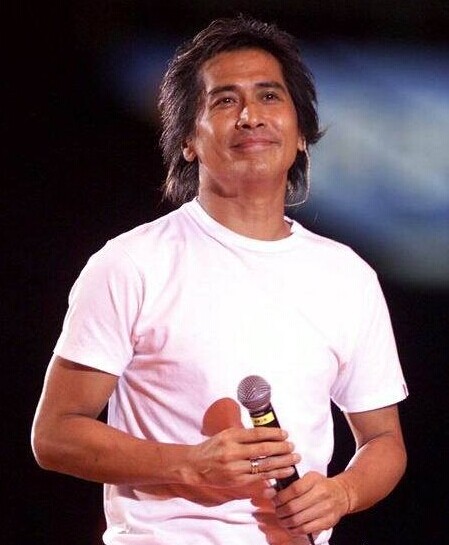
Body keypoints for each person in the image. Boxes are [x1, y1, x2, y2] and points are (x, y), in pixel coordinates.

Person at [31, 14, 408, 545]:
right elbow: (55, 434)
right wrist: (188, 464)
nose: (251, 116)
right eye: (225, 100)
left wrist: (342, 493)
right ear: (188, 139)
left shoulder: (348, 276)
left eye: (269, 96)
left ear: (302, 133)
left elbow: (383, 441)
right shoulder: (132, 263)